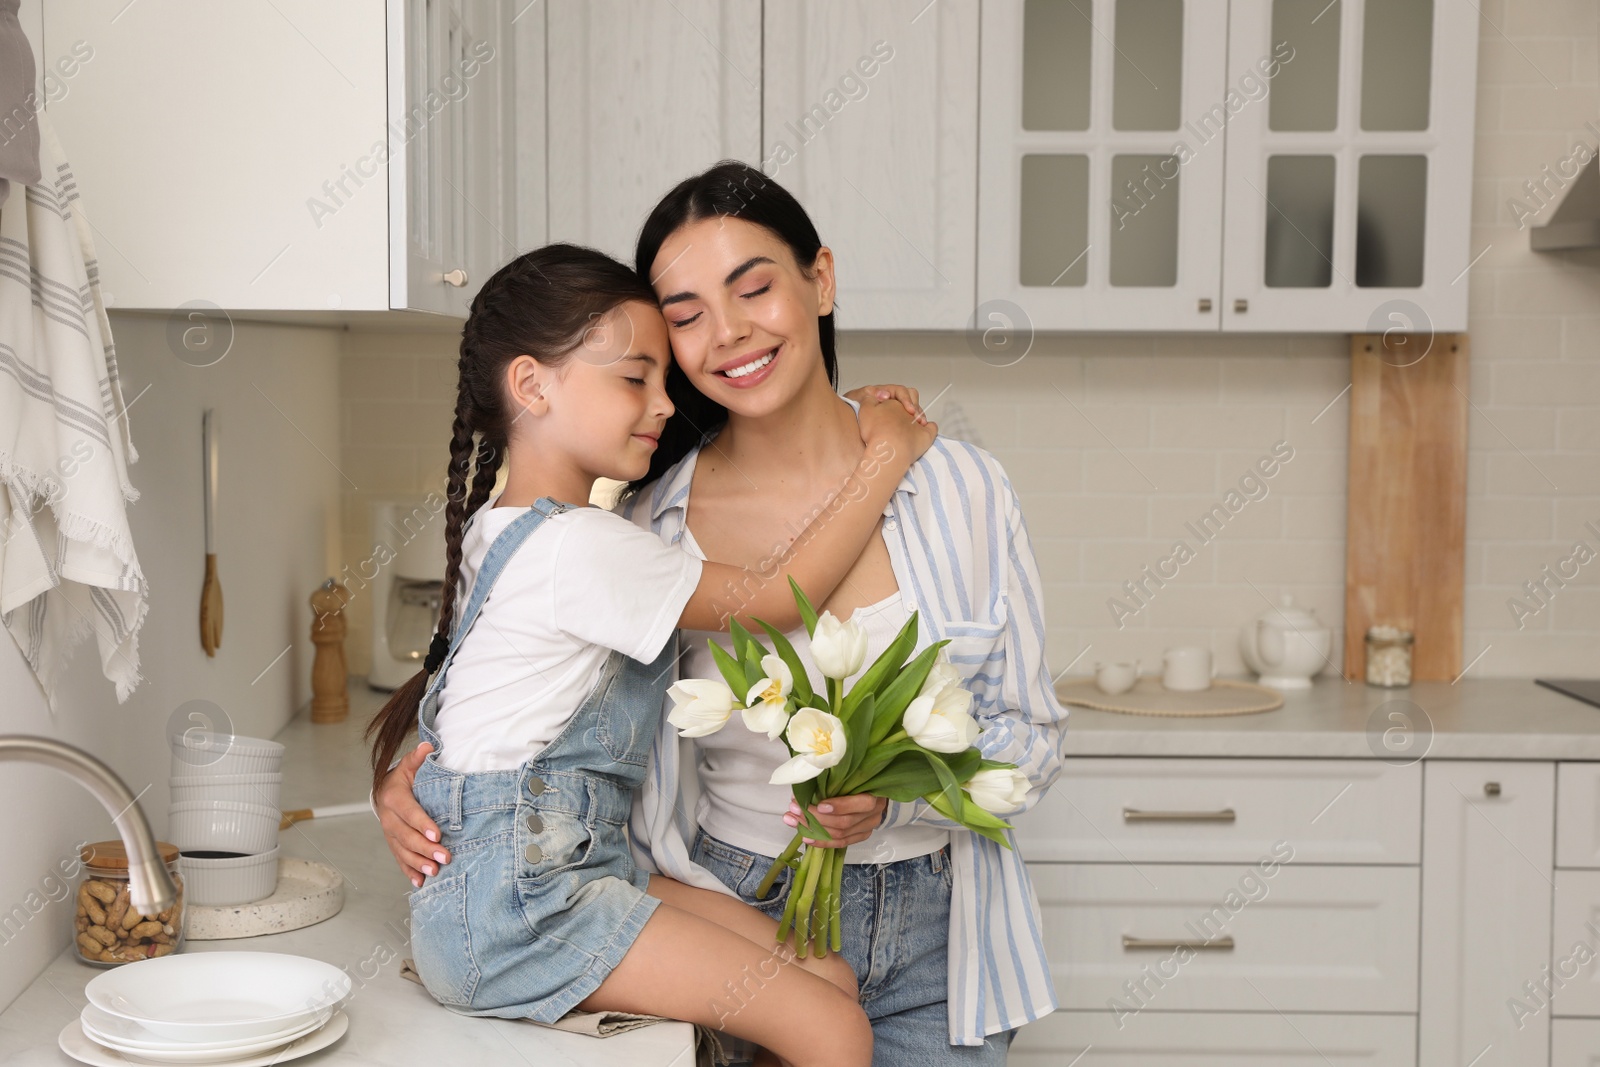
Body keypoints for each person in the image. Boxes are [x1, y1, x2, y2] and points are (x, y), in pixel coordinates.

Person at [376, 163, 1068, 1065]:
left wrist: (899, 801)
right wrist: (412, 786)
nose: (728, 331)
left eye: (755, 287)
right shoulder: (639, 523)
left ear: (820, 280)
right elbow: (500, 682)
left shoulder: (963, 492)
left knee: (831, 1006)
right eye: (686, 317)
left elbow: (1031, 735)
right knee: (826, 1021)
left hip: (943, 927)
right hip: (716, 888)